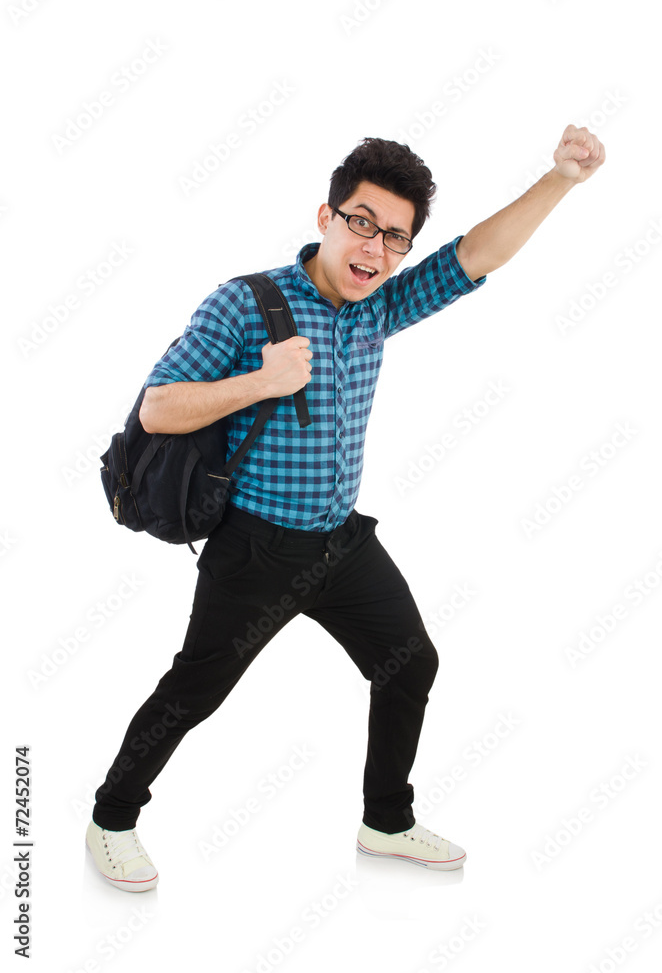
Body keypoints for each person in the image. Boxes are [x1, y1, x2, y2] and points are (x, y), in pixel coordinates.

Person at [85, 126, 605, 891]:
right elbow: (157, 409)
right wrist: (260, 382)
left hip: (342, 545)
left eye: (395, 236)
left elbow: (477, 256)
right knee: (193, 692)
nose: (376, 247)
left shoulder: (377, 307)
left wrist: (561, 178)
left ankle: (385, 822)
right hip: (255, 551)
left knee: (411, 663)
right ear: (325, 217)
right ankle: (112, 818)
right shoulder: (248, 303)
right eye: (362, 222)